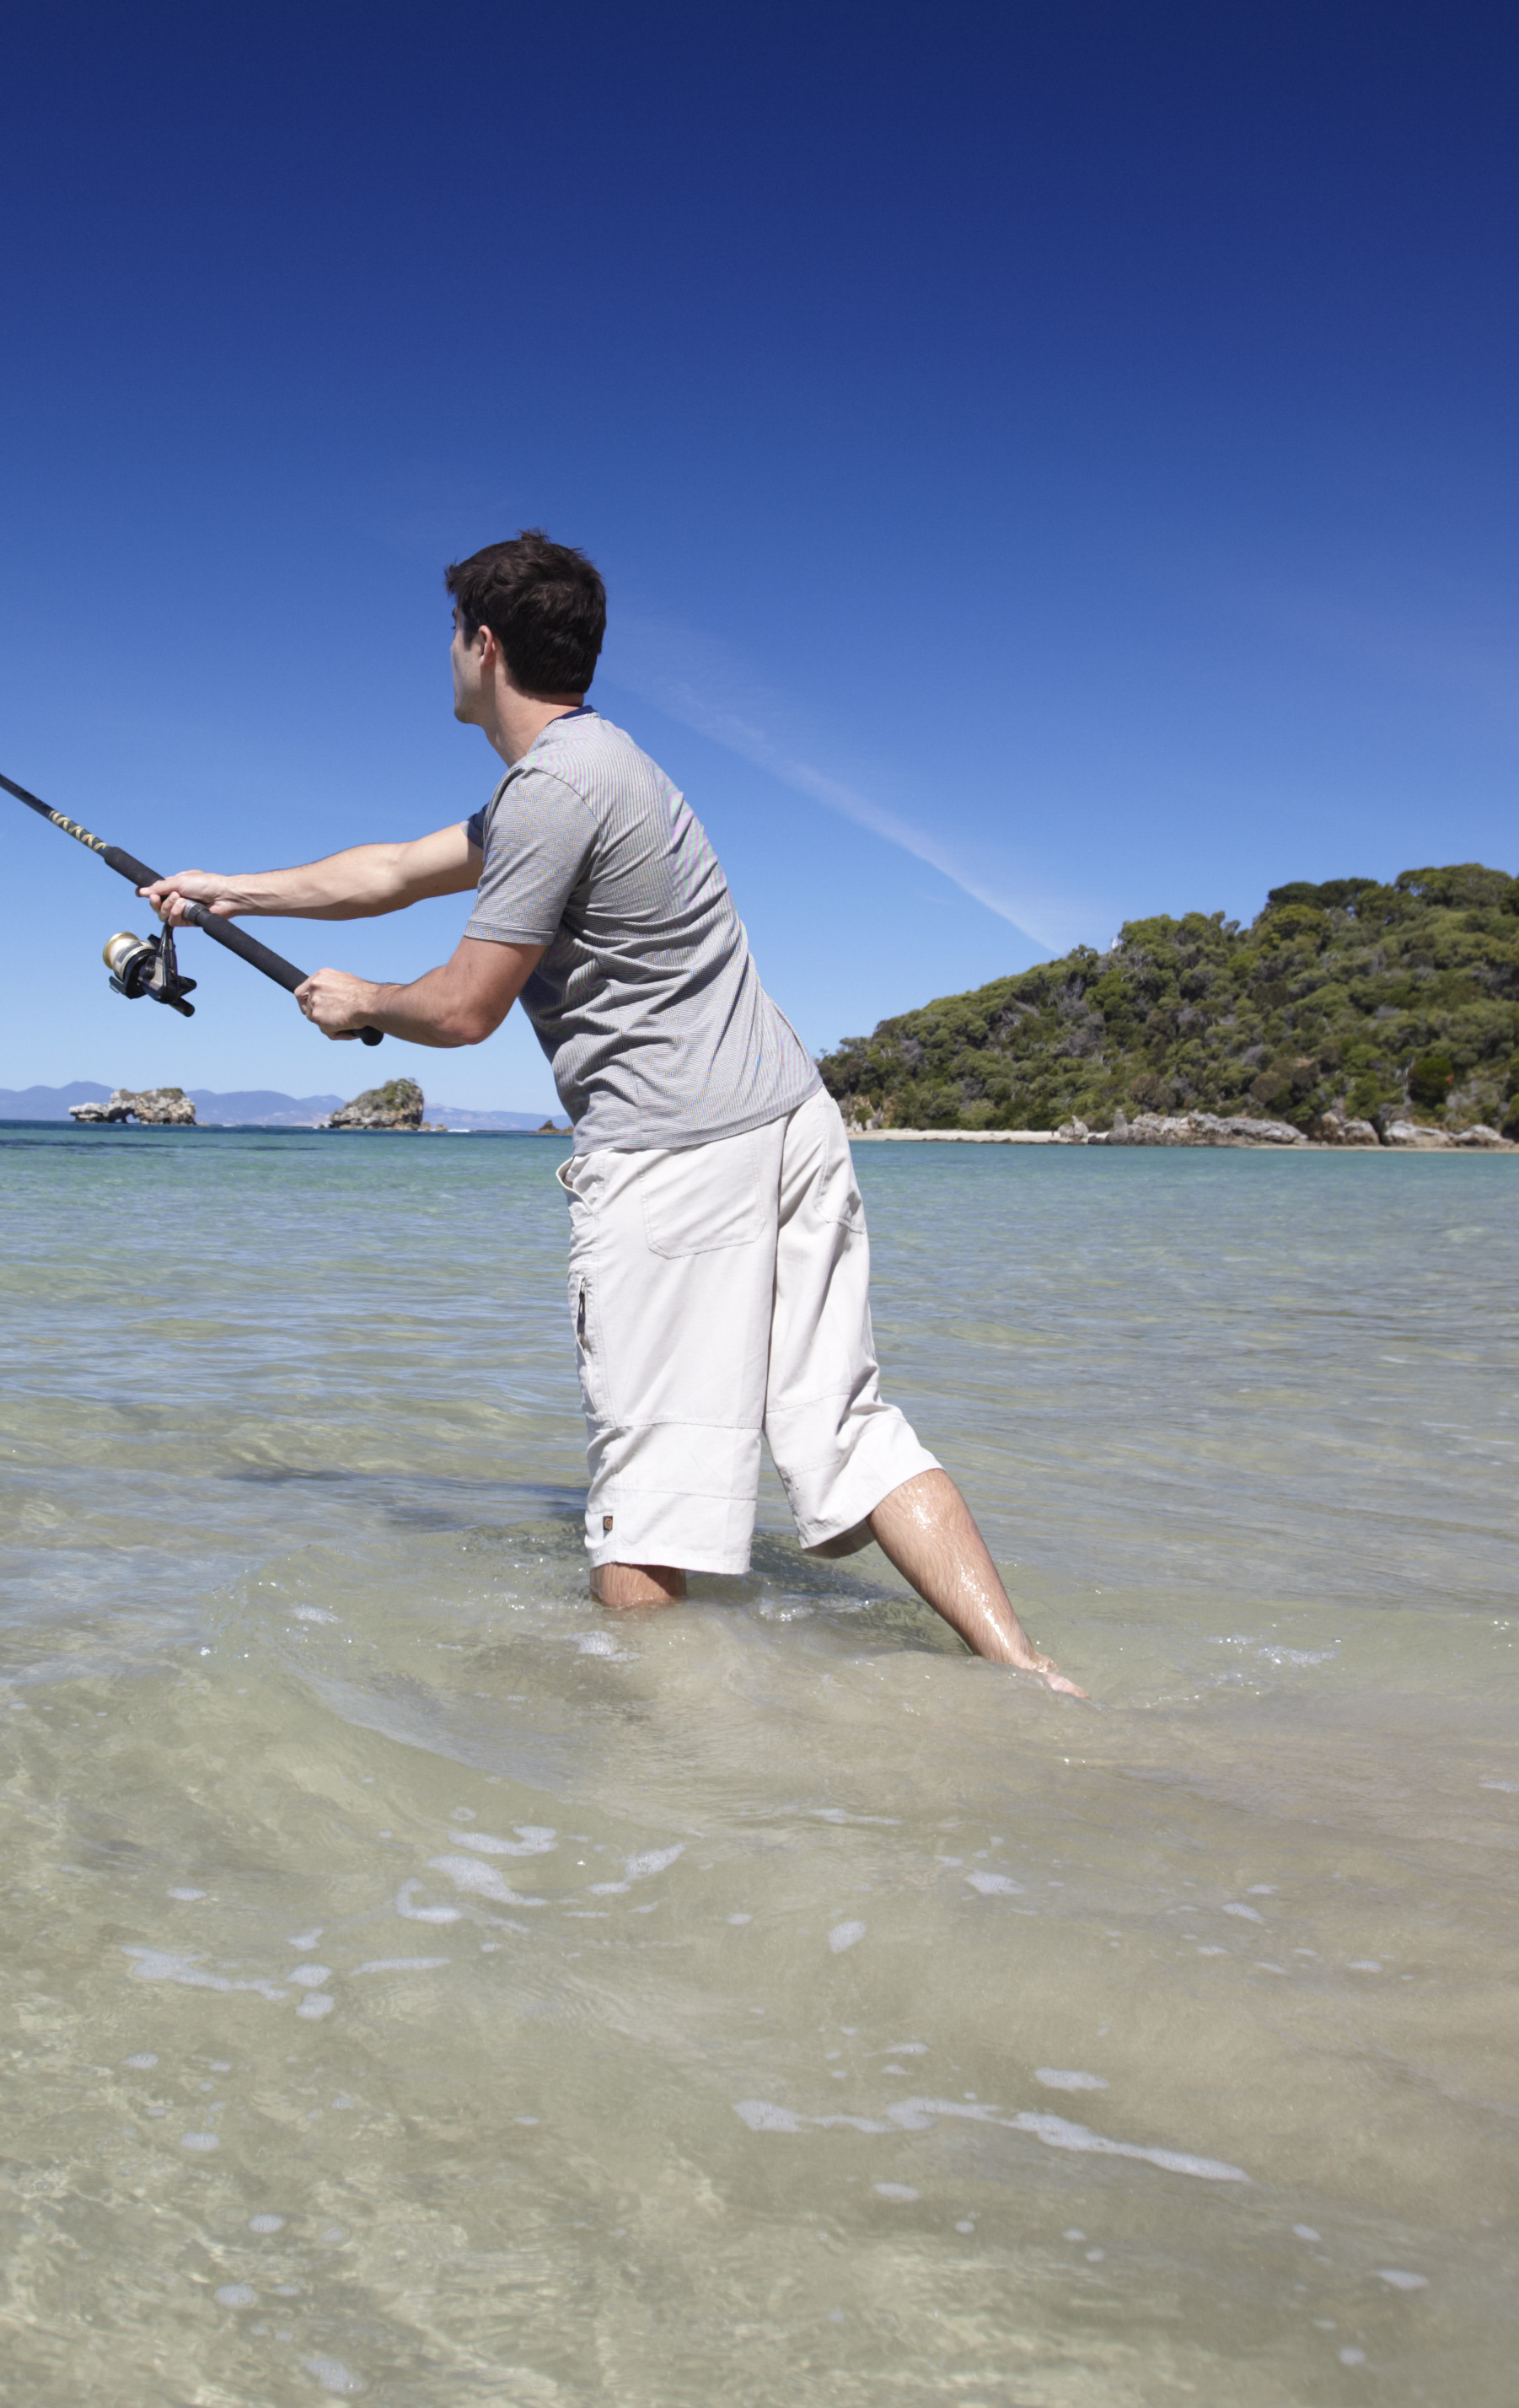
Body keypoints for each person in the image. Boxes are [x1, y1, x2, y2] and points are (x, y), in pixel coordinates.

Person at [146, 531, 1080, 1692]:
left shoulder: (550, 794)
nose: (444, 656)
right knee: (845, 1424)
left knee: (647, 1486)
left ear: (482, 646)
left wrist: (363, 1006)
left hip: (678, 1159)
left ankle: (659, 1794)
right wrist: (224, 887)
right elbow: (388, 869)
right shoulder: (600, 765)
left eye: (450, 636)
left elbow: (466, 1007)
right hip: (790, 1121)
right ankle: (1031, 1676)